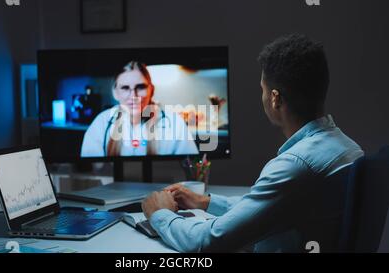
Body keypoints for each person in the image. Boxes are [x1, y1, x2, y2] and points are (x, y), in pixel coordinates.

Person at [141, 34, 365, 252]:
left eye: (263, 89)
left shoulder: (296, 165)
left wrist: (160, 214)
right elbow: (267, 207)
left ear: (275, 98)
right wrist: (205, 201)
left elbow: (206, 243)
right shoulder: (347, 147)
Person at [80, 61, 199, 157]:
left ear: (151, 90)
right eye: (125, 88)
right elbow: (93, 171)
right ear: (115, 93)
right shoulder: (101, 123)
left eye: (140, 87)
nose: (133, 96)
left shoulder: (174, 124)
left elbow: (189, 169)